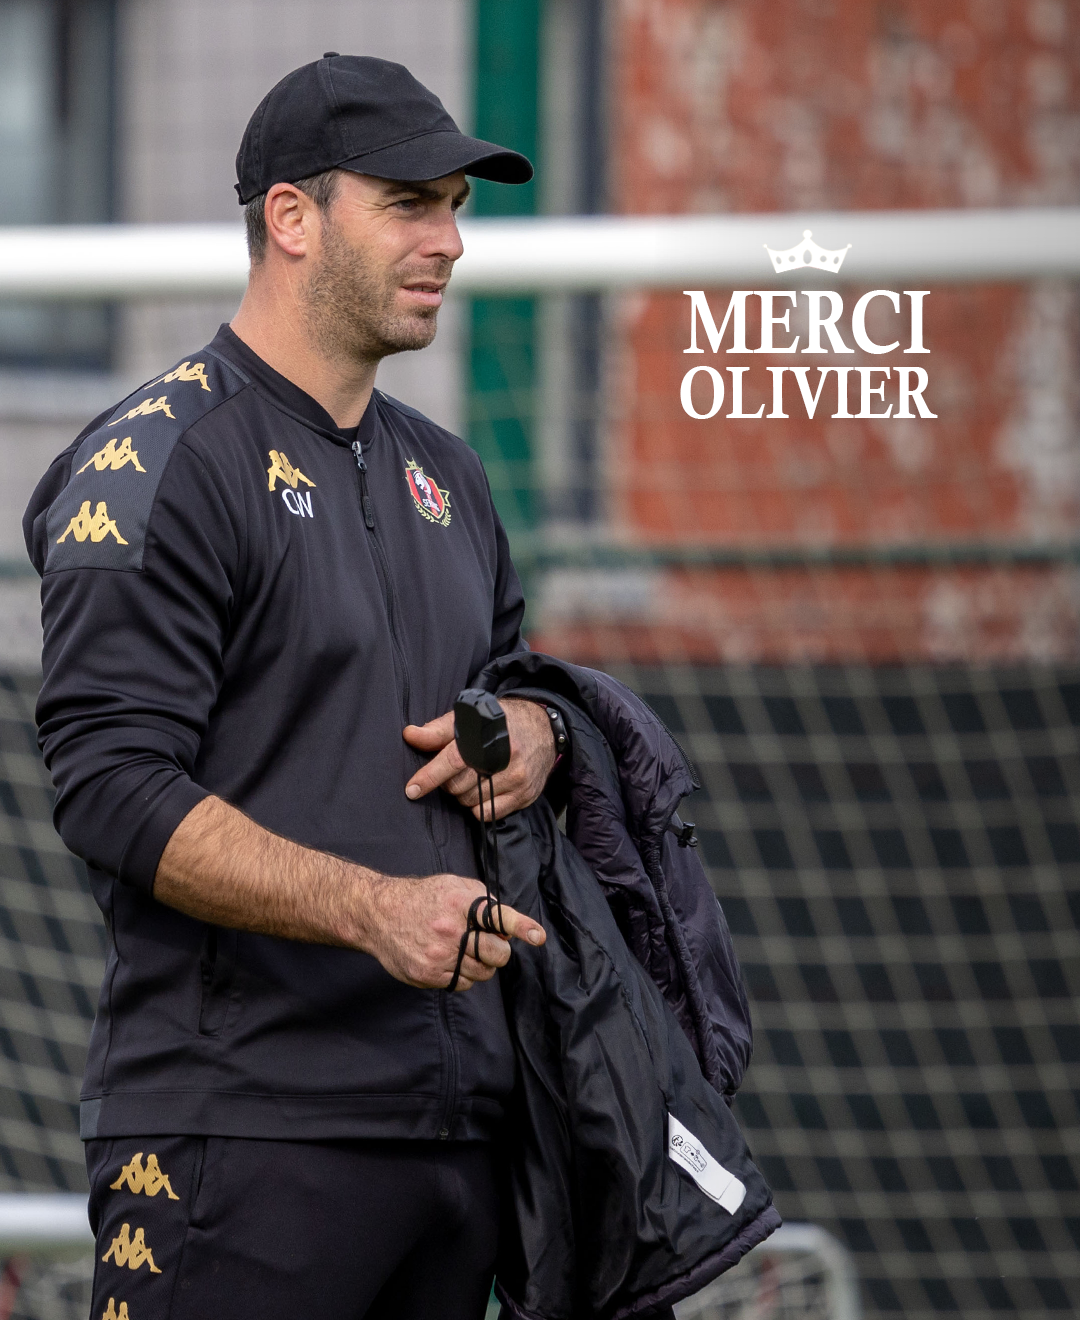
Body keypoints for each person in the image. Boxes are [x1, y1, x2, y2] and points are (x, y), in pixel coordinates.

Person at [24, 54, 561, 1320]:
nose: (448, 242)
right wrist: (375, 911)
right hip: (238, 1138)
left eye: (455, 210)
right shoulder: (161, 461)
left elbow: (512, 690)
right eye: (409, 204)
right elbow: (109, 786)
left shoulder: (450, 476)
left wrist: (537, 732)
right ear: (291, 218)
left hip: (457, 1141)